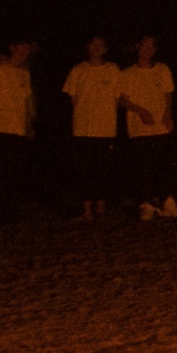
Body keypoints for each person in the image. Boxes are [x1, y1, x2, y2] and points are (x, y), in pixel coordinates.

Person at [57, 38, 123, 221]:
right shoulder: (78, 70)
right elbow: (72, 98)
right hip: (83, 128)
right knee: (85, 168)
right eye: (92, 45)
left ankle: (101, 207)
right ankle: (86, 209)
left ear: (105, 49)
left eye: (100, 45)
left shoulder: (113, 69)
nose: (96, 49)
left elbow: (117, 98)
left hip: (106, 128)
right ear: (87, 48)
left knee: (103, 169)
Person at [115, 35, 177, 218]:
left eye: (152, 46)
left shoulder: (163, 69)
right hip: (139, 128)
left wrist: (167, 115)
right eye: (144, 45)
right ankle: (146, 204)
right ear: (138, 47)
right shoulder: (126, 73)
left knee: (164, 166)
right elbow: (121, 100)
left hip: (161, 126)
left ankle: (168, 202)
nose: (147, 49)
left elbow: (168, 94)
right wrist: (140, 110)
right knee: (143, 168)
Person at [0, 40, 39, 223]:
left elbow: (26, 102)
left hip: (18, 128)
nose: (24, 52)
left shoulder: (23, 74)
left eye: (27, 49)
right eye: (21, 47)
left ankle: (11, 209)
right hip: (0, 127)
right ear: (12, 47)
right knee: (0, 171)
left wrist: (29, 125)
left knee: (15, 171)